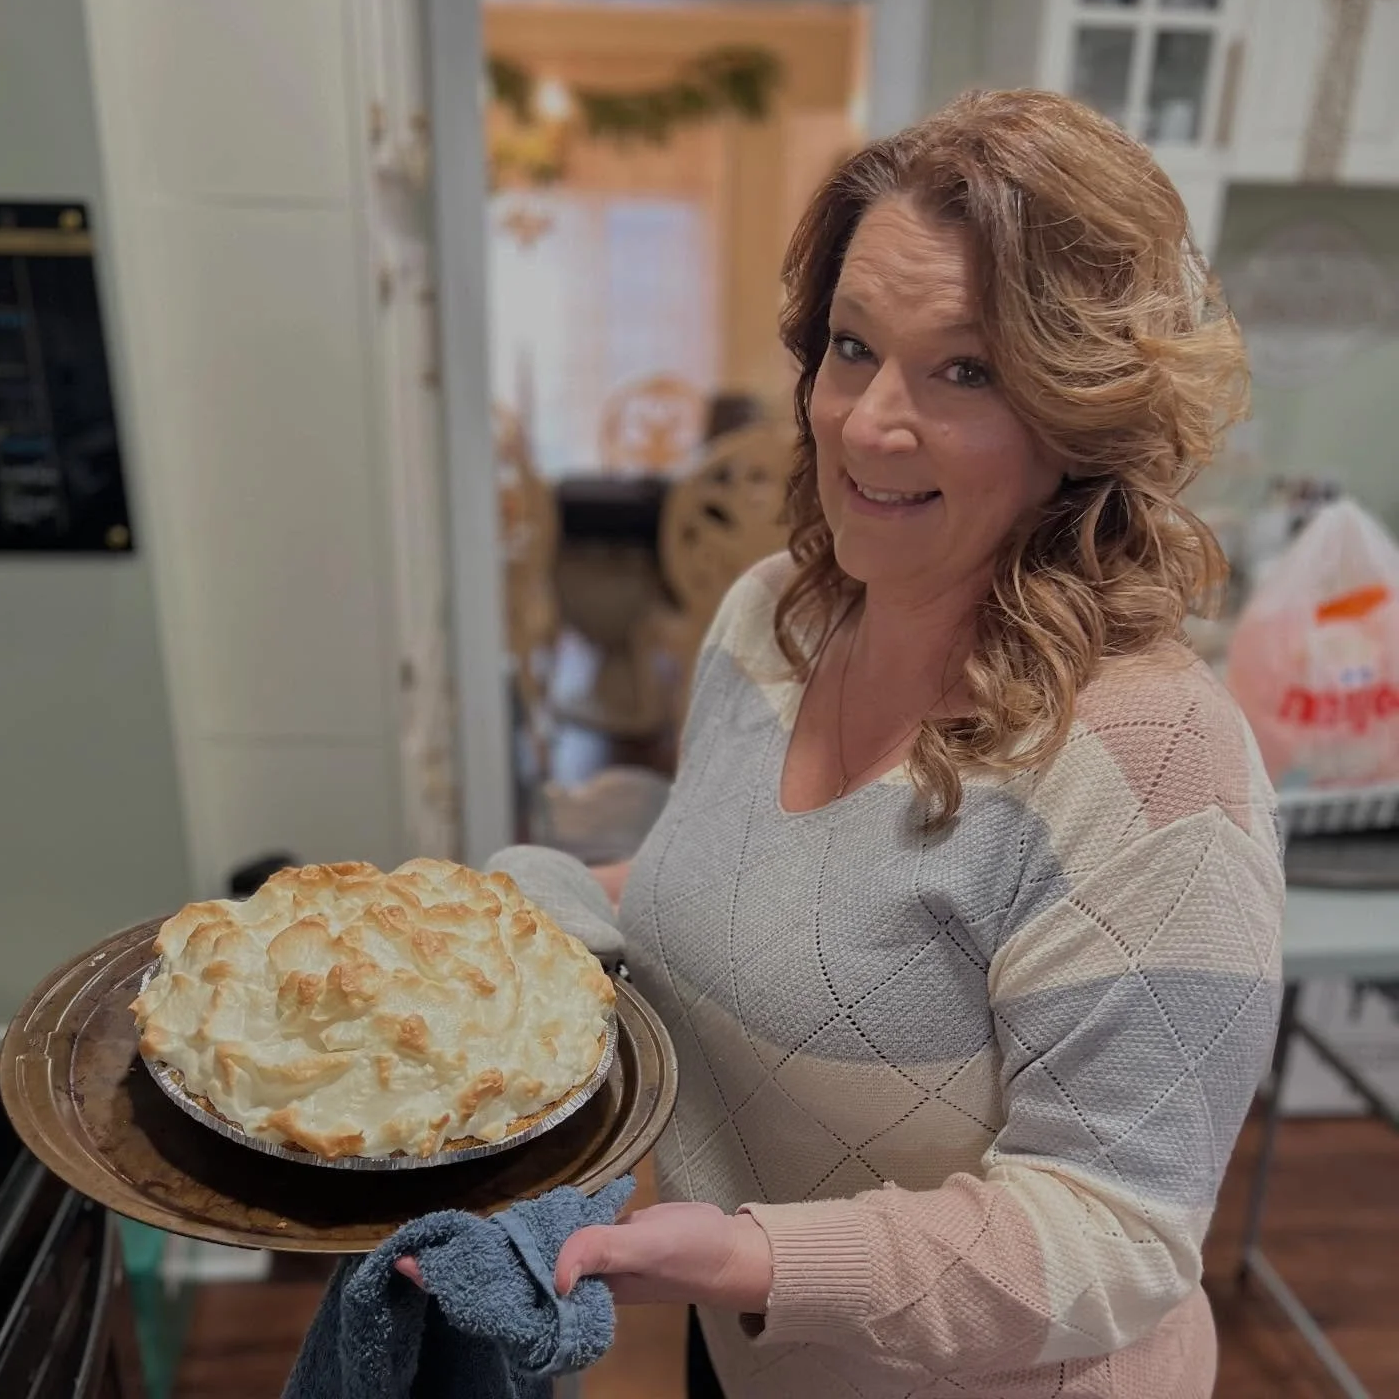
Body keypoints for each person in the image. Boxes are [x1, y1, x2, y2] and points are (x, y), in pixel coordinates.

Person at [425, 88, 1285, 1397]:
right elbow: (722, 895)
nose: (873, 421)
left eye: (967, 369)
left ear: (1082, 414)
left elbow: (1114, 1237)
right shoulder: (771, 617)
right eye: (850, 347)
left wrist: (760, 1260)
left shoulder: (1151, 770)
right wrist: (483, 921)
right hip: (757, 1349)